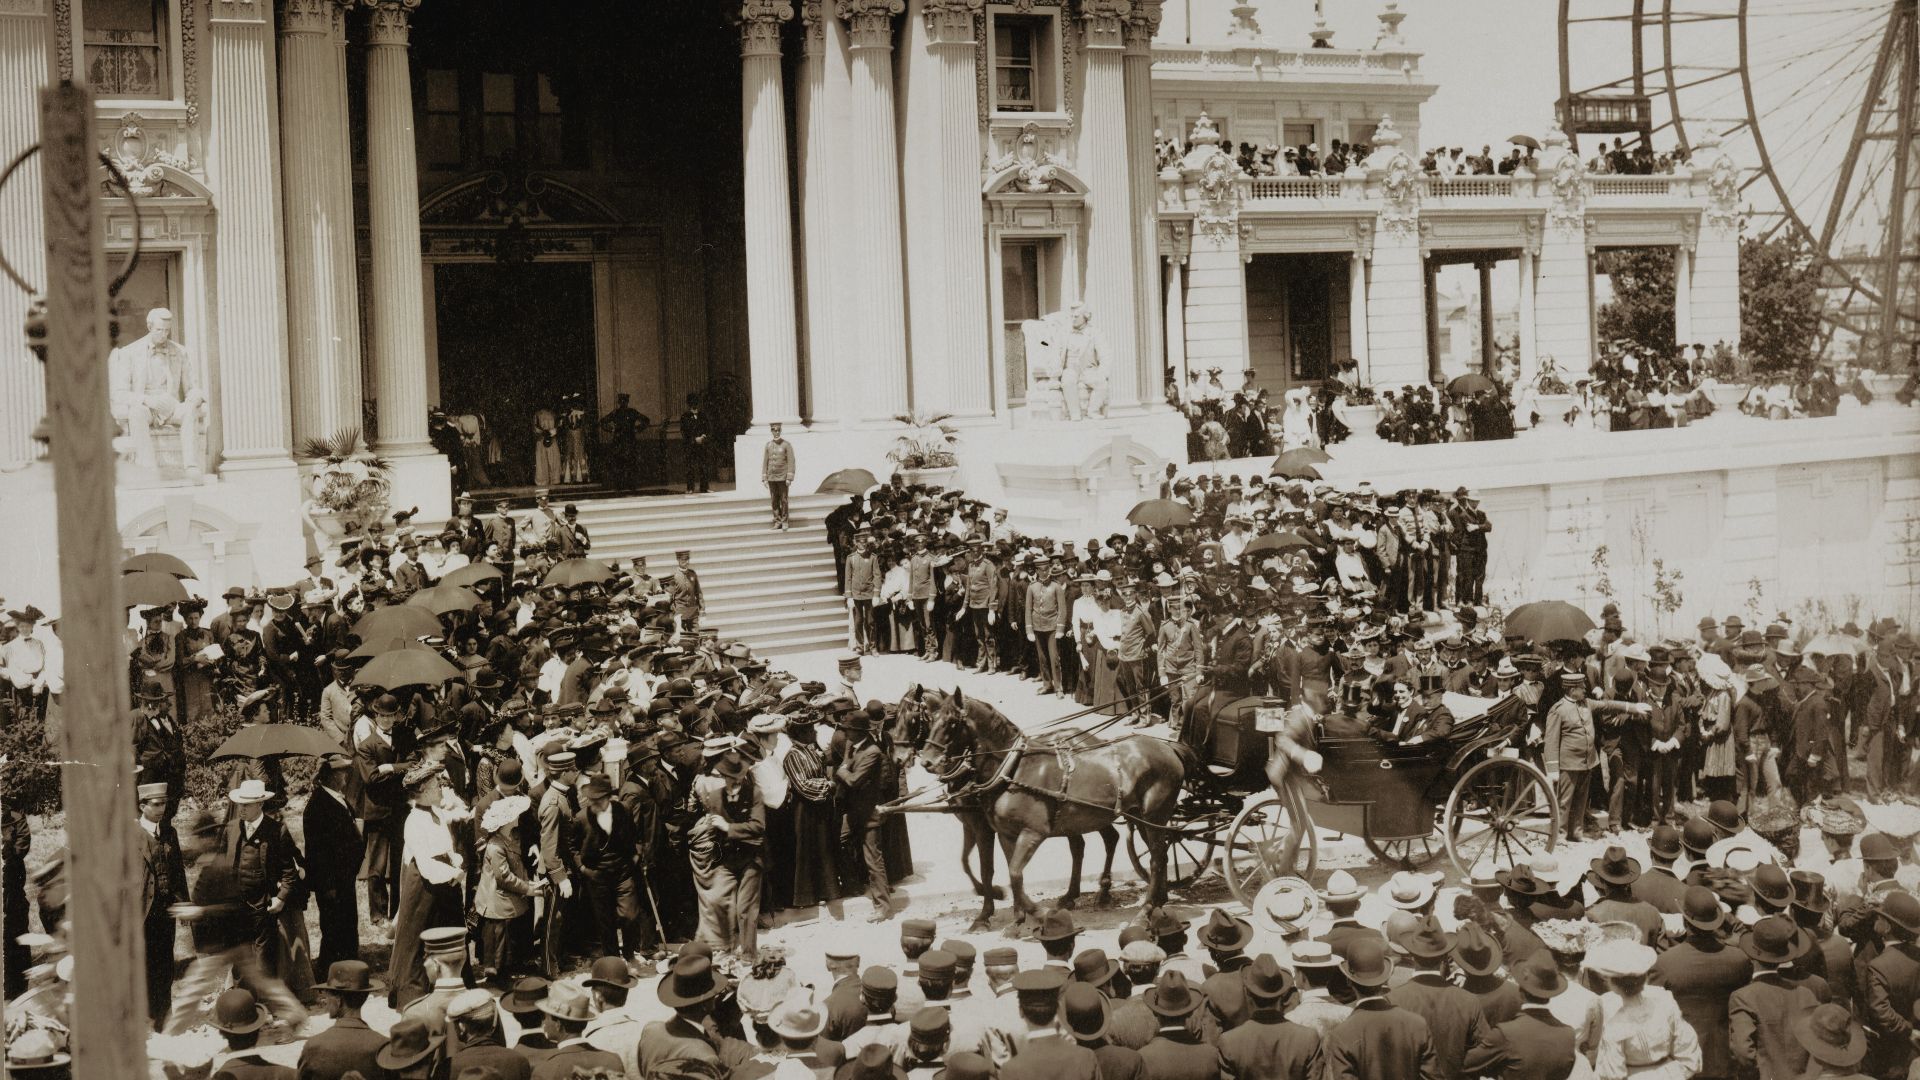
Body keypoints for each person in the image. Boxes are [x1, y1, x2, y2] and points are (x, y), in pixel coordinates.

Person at [388, 762, 467, 1009]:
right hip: (424, 885)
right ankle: (413, 997)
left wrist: (455, 862)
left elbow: (447, 847)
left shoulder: (437, 813)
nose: (440, 788)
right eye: (435, 784)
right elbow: (425, 863)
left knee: (450, 932)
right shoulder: (413, 821)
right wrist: (453, 873)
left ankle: (452, 985)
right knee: (417, 938)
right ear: (421, 789)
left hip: (446, 882)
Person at [1590, 941, 1700, 1080]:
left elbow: (1611, 1073)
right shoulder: (1663, 999)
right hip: (1671, 1074)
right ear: (1644, 977)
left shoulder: (1607, 1009)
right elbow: (1688, 1051)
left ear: (1612, 982)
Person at [302, 753, 362, 974]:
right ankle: (331, 970)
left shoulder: (337, 798)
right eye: (341, 771)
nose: (346, 775)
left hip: (344, 876)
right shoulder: (318, 806)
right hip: (332, 881)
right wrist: (327, 885)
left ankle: (349, 964)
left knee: (347, 922)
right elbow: (317, 852)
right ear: (330, 776)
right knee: (333, 926)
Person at [137, 780, 188, 1031]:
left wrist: (183, 903)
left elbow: (177, 871)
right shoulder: (129, 836)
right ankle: (145, 1020)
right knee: (144, 966)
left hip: (166, 911)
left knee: (165, 964)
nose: (161, 809)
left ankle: (164, 1017)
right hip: (141, 914)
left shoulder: (170, 833)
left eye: (165, 804)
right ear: (142, 806)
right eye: (156, 804)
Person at [298, 961, 388, 1080]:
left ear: (338, 1000)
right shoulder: (384, 1046)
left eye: (327, 996)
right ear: (365, 996)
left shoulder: (313, 1046)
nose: (324, 1002)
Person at [763, 422, 796, 530]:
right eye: (774, 430)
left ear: (780, 430)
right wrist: (764, 477)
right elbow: (765, 462)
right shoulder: (768, 445)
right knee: (774, 500)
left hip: (782, 477)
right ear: (771, 431)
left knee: (784, 500)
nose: (776, 432)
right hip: (771, 477)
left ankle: (785, 521)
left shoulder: (786, 444)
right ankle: (777, 521)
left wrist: (789, 477)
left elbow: (791, 461)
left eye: (778, 430)